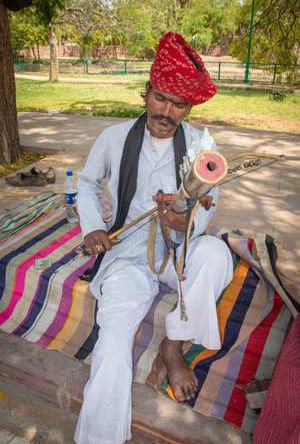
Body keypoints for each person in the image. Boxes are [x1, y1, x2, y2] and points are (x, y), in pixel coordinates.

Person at [74, 32, 233, 444]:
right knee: (113, 339)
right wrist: (92, 226)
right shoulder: (113, 137)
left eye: (179, 104)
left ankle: (173, 347)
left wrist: (187, 224)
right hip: (127, 254)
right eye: (160, 98)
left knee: (216, 255)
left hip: (179, 252)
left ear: (189, 107)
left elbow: (210, 202)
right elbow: (88, 184)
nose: (166, 111)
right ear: (147, 92)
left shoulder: (201, 146)